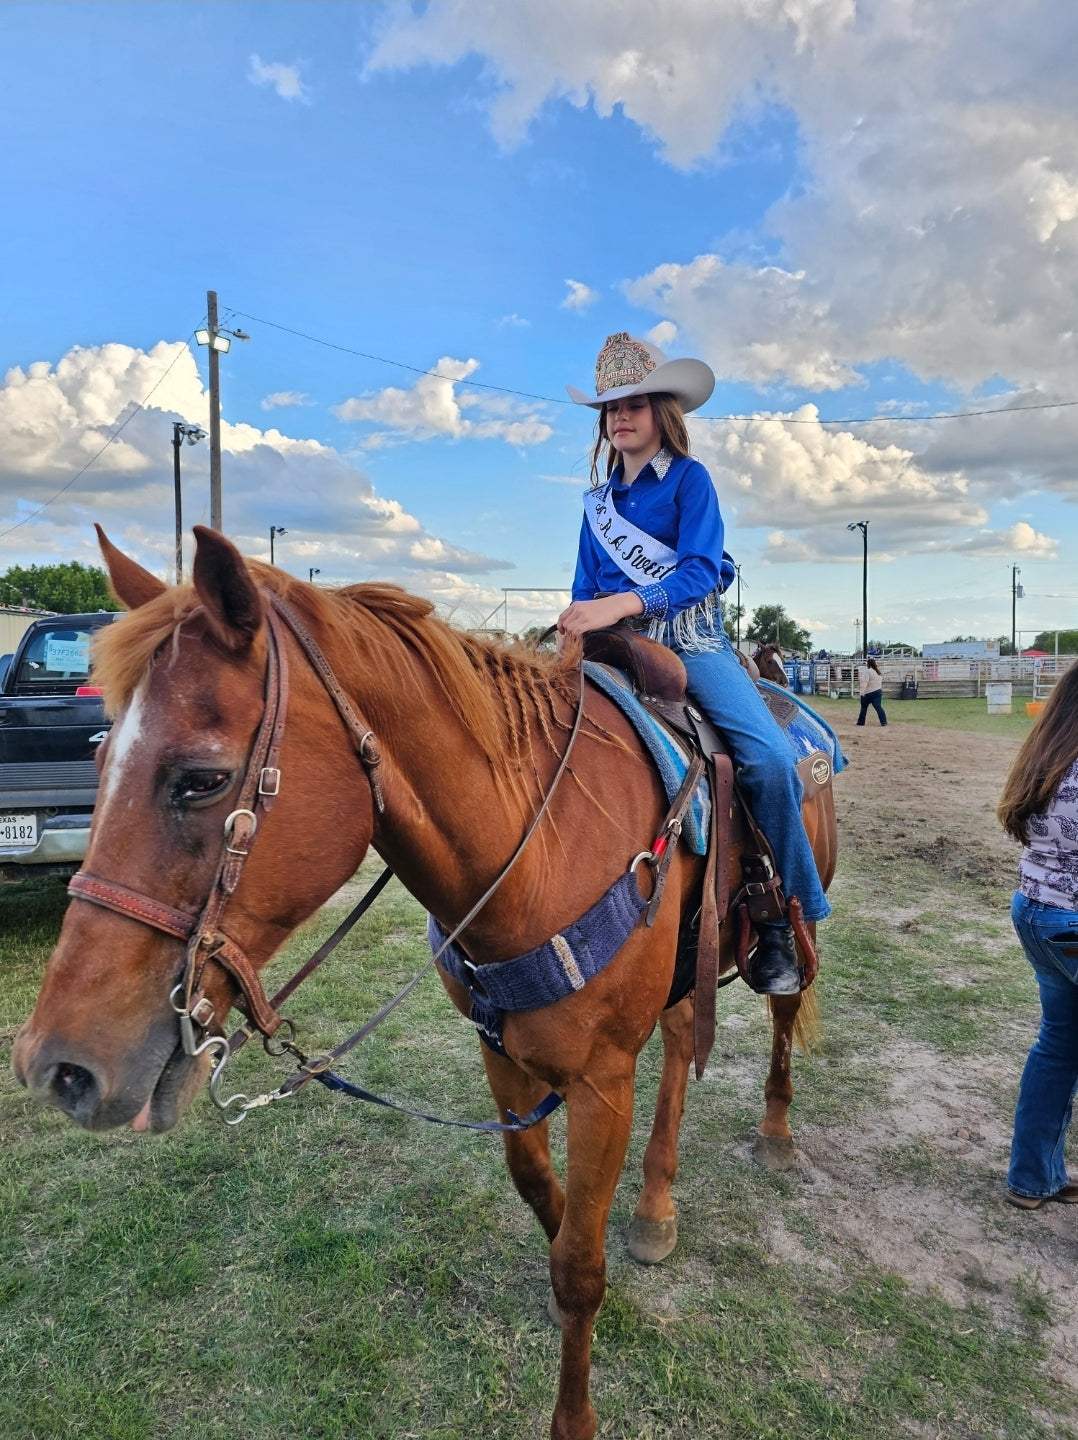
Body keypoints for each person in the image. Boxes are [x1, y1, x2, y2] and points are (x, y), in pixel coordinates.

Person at [557, 332, 830, 995]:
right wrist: (576, 619)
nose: (621, 418)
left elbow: (702, 571)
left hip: (694, 645)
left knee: (765, 760)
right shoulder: (599, 507)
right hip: (615, 648)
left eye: (636, 405)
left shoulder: (689, 479)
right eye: (611, 410)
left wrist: (621, 600)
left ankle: (781, 917)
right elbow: (583, 589)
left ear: (662, 413)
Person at [996, 664, 1078, 1209]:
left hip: (1037, 912)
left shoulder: (1047, 760)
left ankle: (1033, 1177)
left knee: (1059, 1045)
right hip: (1069, 920)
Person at [856, 657, 888, 727]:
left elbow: (865, 682)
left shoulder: (867, 671)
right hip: (878, 691)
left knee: (864, 708)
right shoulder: (878, 672)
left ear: (868, 664)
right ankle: (884, 721)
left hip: (868, 692)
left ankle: (861, 722)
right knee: (878, 707)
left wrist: (862, 691)